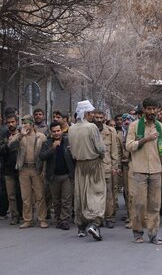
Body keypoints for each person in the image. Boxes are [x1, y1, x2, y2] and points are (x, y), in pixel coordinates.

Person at [126, 98, 162, 244]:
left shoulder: (160, 127)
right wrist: (145, 139)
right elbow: (129, 146)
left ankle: (153, 233)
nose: (152, 112)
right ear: (143, 110)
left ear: (157, 109)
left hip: (156, 170)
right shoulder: (134, 126)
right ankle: (137, 232)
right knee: (139, 204)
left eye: (154, 109)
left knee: (155, 204)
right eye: (149, 109)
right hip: (139, 170)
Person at [69, 100, 106, 241]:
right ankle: (94, 223)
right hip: (93, 164)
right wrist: (101, 156)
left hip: (79, 165)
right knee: (97, 194)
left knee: (81, 195)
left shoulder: (71, 129)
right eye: (90, 113)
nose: (92, 115)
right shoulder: (92, 128)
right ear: (85, 113)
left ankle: (81, 226)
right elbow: (100, 148)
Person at [9, 114, 48, 229]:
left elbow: (45, 155)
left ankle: (42, 219)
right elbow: (11, 147)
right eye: (23, 123)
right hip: (24, 168)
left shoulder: (40, 136)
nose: (24, 125)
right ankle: (27, 219)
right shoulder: (19, 136)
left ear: (31, 124)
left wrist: (44, 170)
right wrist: (21, 135)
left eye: (26, 123)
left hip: (36, 168)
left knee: (40, 195)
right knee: (26, 196)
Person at [40, 121, 75, 230]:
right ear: (51, 132)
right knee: (56, 200)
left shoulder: (68, 141)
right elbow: (42, 156)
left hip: (67, 176)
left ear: (62, 131)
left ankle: (65, 220)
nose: (56, 133)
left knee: (66, 200)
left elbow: (74, 156)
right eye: (54, 131)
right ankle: (58, 219)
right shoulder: (47, 143)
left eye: (58, 131)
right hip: (53, 176)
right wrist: (52, 148)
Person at [94, 110, 120, 229]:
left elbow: (114, 151)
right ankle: (97, 218)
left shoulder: (111, 131)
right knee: (95, 194)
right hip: (93, 168)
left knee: (108, 194)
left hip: (106, 167)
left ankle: (109, 217)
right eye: (97, 117)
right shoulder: (90, 130)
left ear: (104, 118)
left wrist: (115, 167)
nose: (99, 120)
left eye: (101, 117)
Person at [0, 114, 23, 225]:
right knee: (11, 194)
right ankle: (14, 216)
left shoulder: (22, 134)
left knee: (21, 193)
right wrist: (8, 143)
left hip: (21, 169)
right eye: (8, 122)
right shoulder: (4, 136)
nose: (11, 124)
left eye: (13, 122)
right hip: (8, 169)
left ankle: (23, 215)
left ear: (17, 122)